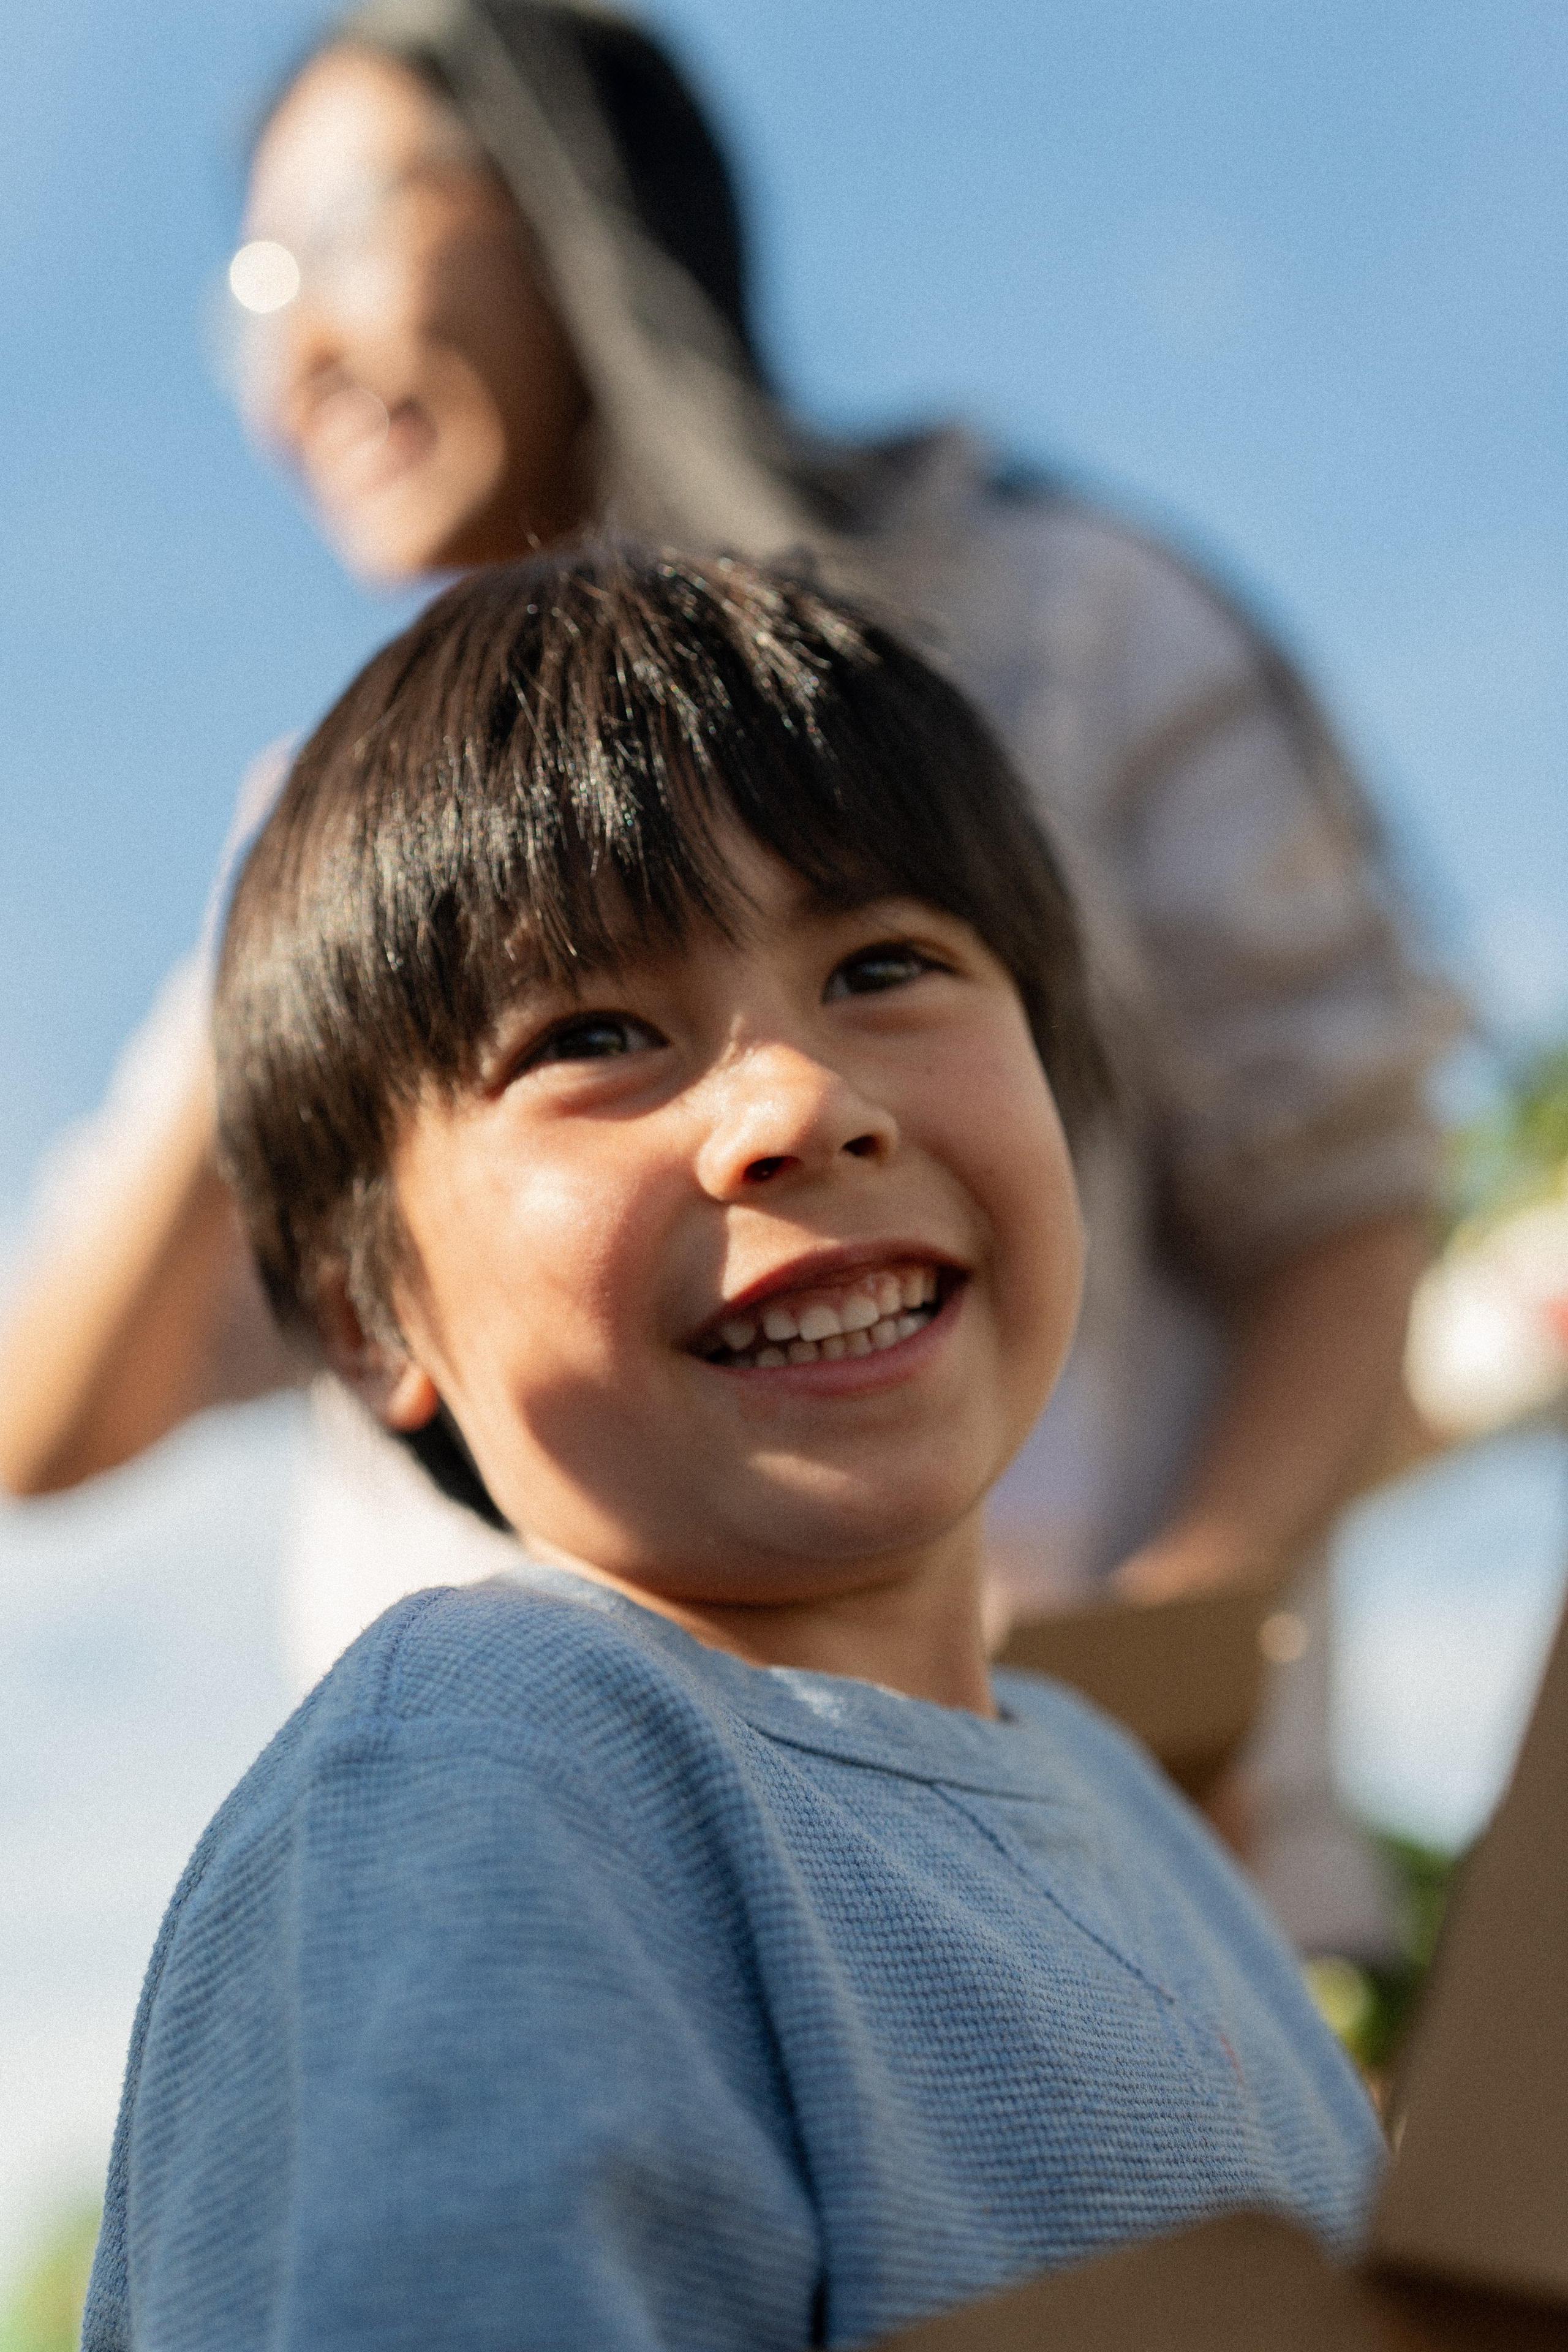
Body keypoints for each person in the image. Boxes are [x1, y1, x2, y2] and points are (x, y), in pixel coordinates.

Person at [1, 3, 1455, 1933]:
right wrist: (301, 921)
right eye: (592, 1033)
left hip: (1110, 1895)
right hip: (565, 1924)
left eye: (331, 239)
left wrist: (1150, 1680)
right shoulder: (334, 853)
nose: (289, 359)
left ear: (562, 188)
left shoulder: (1055, 622)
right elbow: (51, 1420)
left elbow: (1344, 1203)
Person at [83, 549, 1383, 2352]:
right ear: (374, 1314)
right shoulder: (495, 1761)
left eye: (887, 963)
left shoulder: (1124, 1797)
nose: (799, 1105)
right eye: (597, 1036)